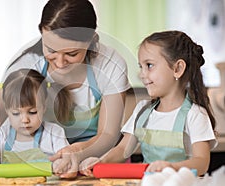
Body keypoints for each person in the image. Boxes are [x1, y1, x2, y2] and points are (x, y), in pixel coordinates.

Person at [0, 0, 131, 178]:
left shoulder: (110, 65)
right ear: (41, 34)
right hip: (45, 170)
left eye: (72, 54)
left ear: (91, 39)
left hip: (94, 164)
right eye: (50, 50)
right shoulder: (25, 65)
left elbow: (108, 134)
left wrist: (77, 153)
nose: (60, 62)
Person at [79, 30, 218, 176]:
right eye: (141, 67)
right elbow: (122, 150)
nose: (142, 74)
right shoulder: (142, 110)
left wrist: (171, 167)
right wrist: (101, 161)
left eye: (149, 65)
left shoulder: (195, 115)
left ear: (177, 69)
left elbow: (201, 162)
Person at [0, 69, 71, 172]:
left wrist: (60, 164)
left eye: (32, 112)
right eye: (16, 113)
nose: (25, 120)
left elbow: (66, 159)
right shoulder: (1, 135)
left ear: (44, 107)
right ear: (6, 110)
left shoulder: (54, 133)